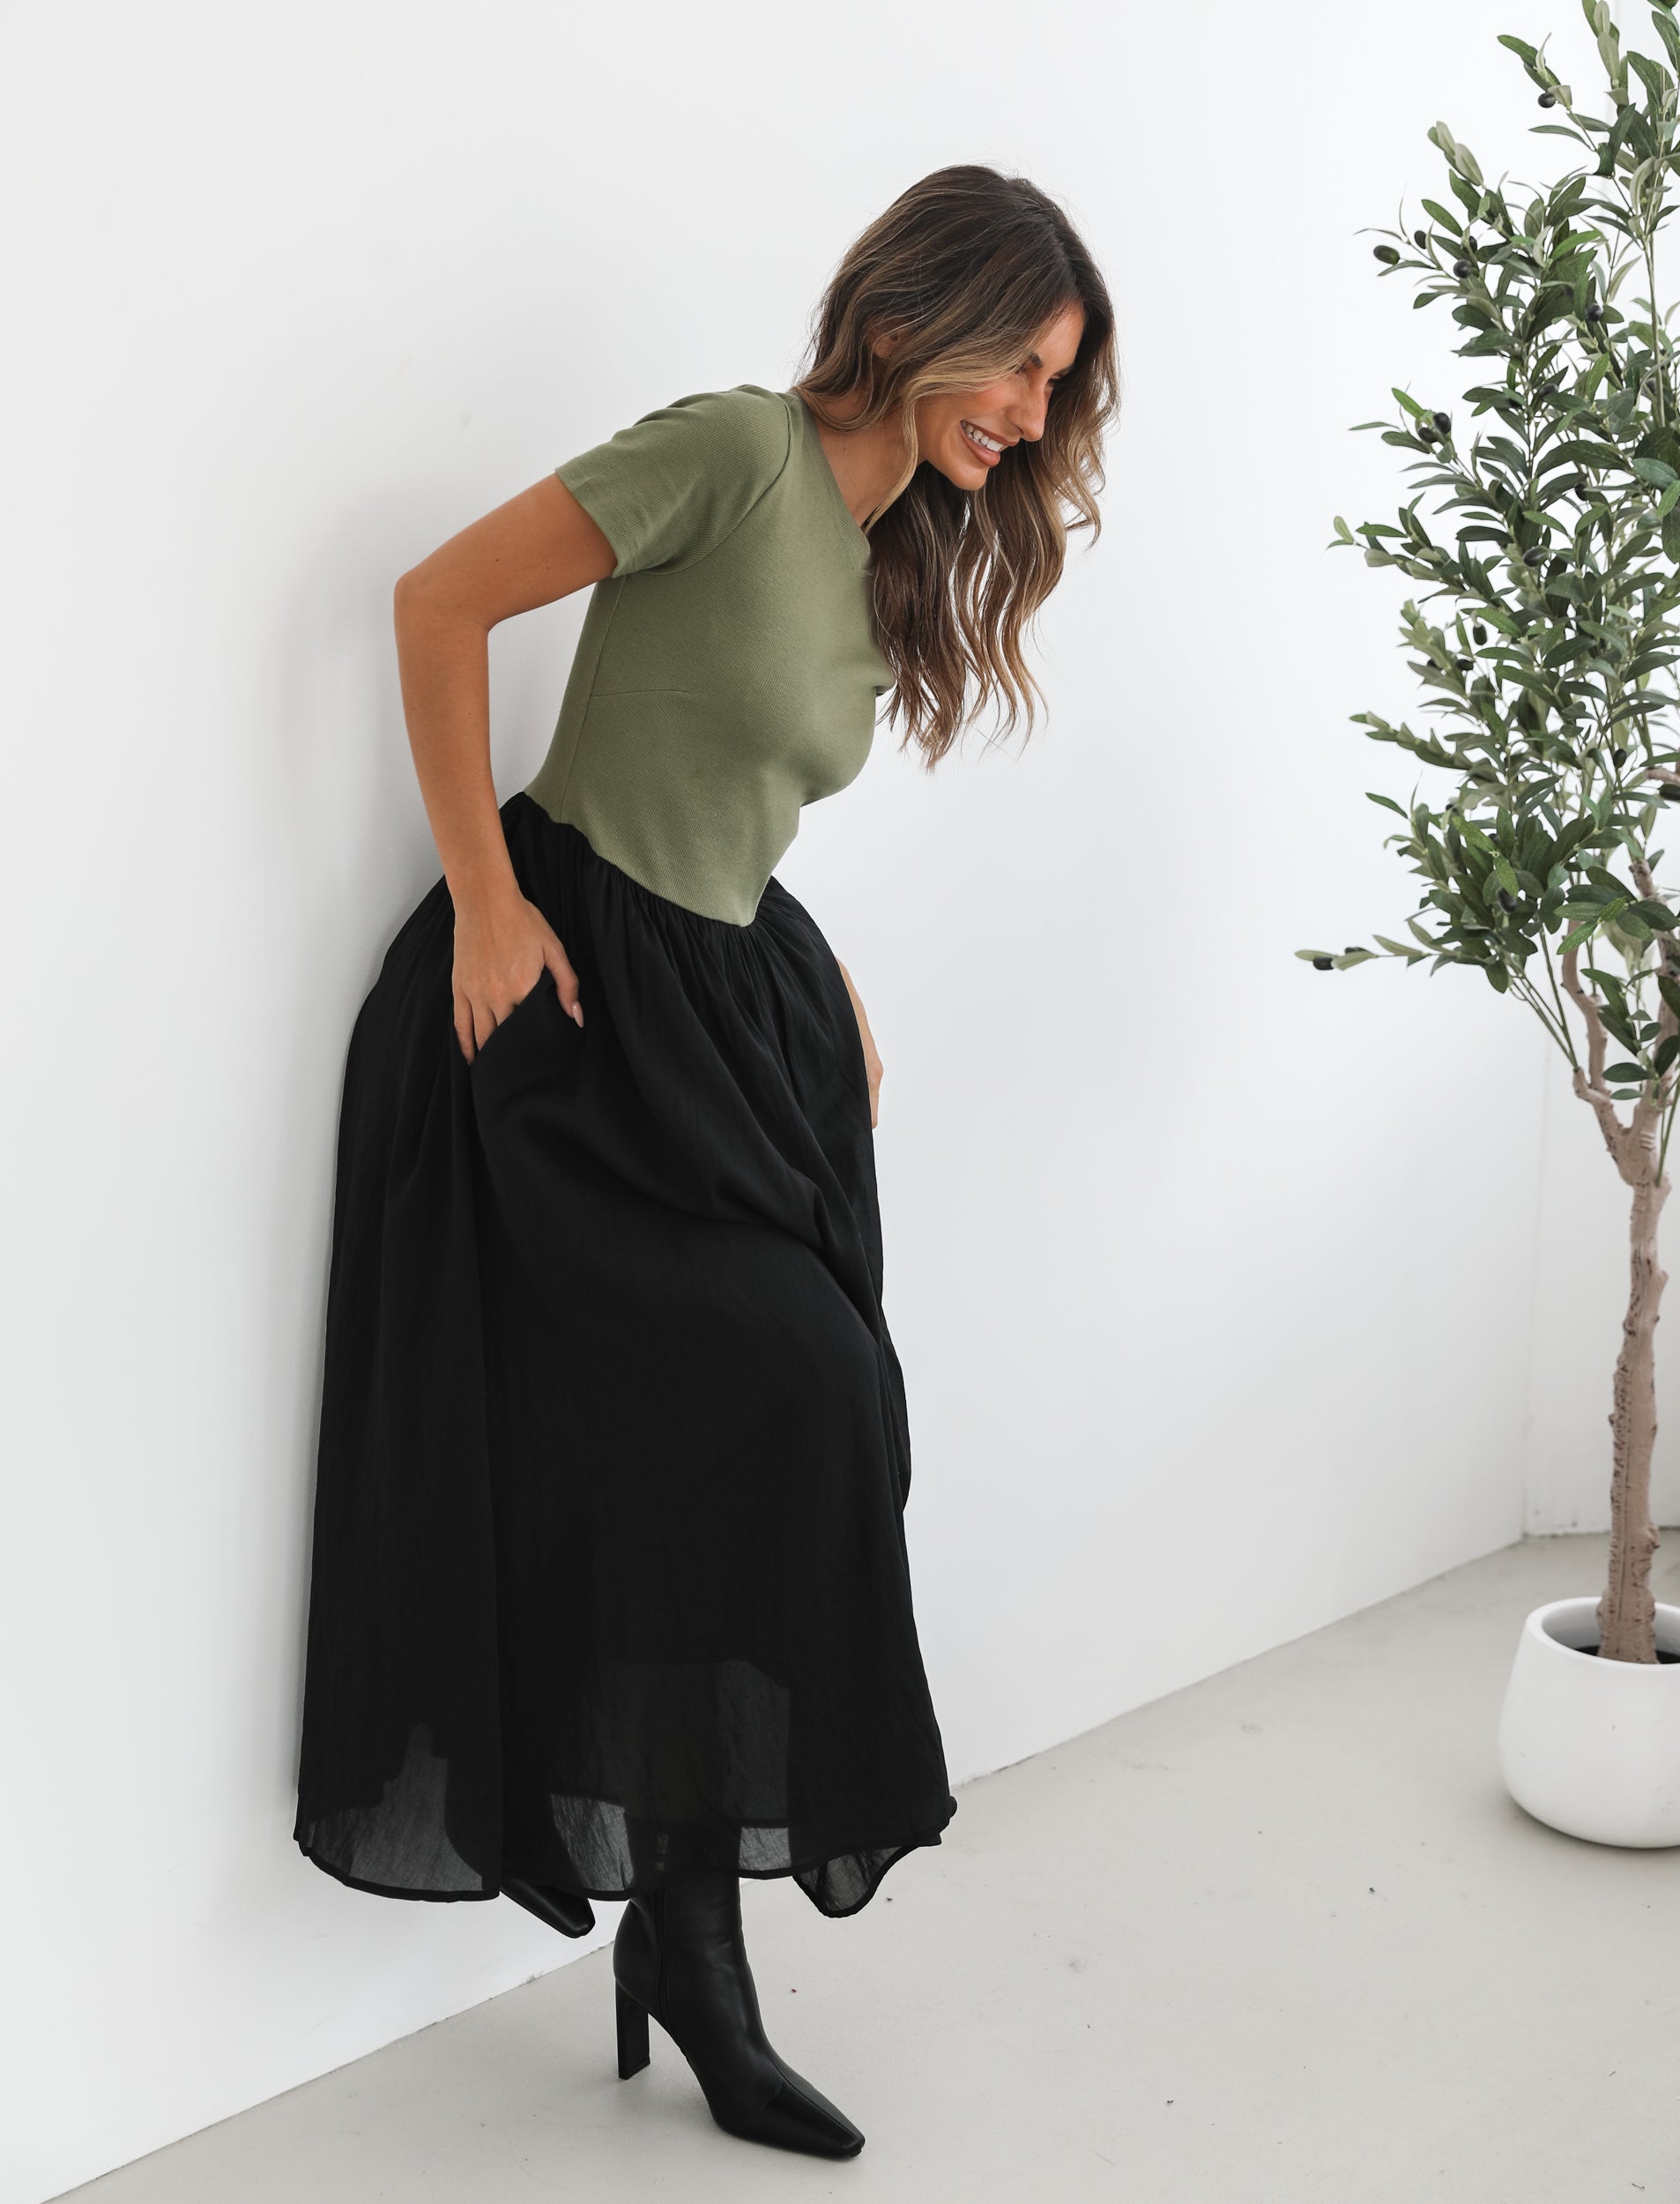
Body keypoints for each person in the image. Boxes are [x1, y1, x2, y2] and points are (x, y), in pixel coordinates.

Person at [294, 162, 1119, 2161]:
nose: (1028, 416)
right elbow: (437, 601)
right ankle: (692, 1950)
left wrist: (814, 976)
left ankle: (686, 1936)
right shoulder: (736, 453)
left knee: (791, 1435)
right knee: (776, 1395)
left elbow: (734, 800)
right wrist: (487, 900)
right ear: (913, 315)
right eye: (1016, 364)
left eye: (1056, 387)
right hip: (574, 1005)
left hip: (735, 1018)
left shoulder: (892, 548)